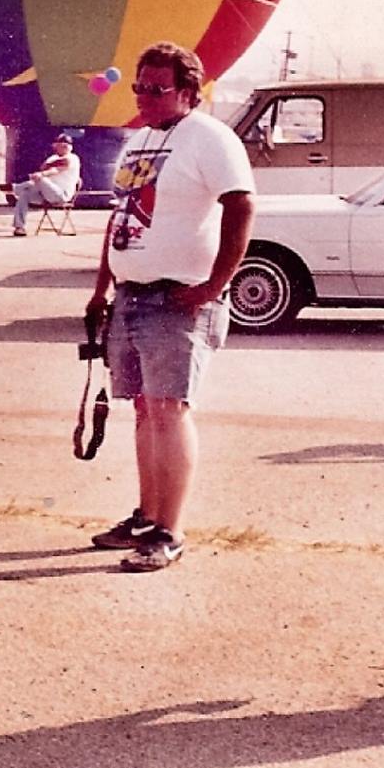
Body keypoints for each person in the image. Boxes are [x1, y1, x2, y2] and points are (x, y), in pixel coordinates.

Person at [85, 41, 255, 573]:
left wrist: (213, 286)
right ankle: (146, 517)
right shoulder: (139, 140)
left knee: (169, 409)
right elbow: (122, 219)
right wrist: (100, 288)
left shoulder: (209, 138)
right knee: (142, 409)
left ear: (188, 92)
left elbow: (241, 203)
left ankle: (169, 532)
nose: (144, 97)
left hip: (177, 297)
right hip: (131, 295)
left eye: (156, 90)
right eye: (139, 87)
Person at [12, 133, 81, 236]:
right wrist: (43, 172)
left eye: (64, 145)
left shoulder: (73, 158)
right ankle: (19, 227)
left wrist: (42, 174)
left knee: (40, 178)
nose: (61, 148)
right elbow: (44, 166)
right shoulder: (52, 158)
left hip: (61, 194)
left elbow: (55, 170)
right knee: (25, 195)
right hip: (45, 194)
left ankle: (15, 188)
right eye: (59, 145)